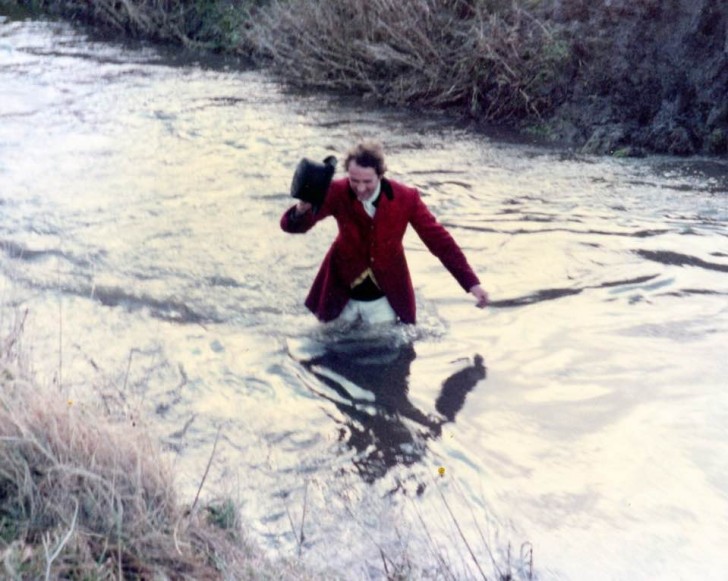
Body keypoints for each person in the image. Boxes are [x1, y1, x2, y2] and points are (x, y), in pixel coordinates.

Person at [280, 140, 489, 325]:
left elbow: (439, 242)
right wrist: (301, 210)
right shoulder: (337, 190)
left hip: (385, 297)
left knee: (385, 358)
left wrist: (472, 283)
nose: (360, 188)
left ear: (380, 175)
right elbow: (292, 227)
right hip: (340, 292)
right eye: (354, 180)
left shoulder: (407, 198)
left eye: (367, 182)